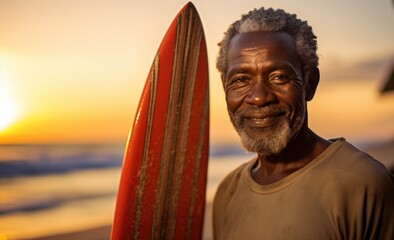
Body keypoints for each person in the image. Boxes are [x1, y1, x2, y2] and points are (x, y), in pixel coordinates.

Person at [212, 7, 394, 240]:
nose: (258, 97)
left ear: (310, 84)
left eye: (279, 77)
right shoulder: (227, 193)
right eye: (240, 80)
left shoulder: (364, 184)